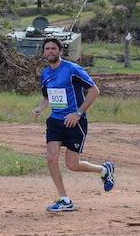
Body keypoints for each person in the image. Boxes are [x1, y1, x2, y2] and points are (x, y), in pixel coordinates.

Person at [32, 37, 115, 212]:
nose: (50, 51)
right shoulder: (45, 74)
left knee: (72, 164)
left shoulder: (72, 69)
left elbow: (94, 91)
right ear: (43, 53)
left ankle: (104, 170)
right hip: (55, 121)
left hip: (74, 122)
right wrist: (40, 108)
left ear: (60, 51)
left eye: (54, 48)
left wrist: (78, 113)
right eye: (47, 49)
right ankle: (65, 200)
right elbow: (48, 96)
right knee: (51, 158)